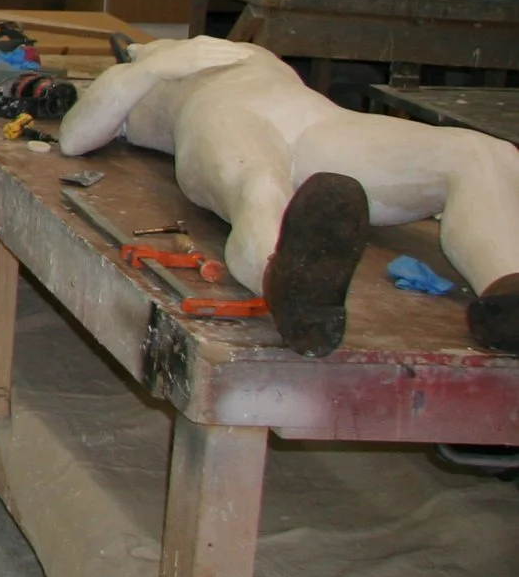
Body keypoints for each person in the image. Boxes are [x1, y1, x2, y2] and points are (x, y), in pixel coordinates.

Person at [60, 36, 519, 357]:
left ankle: (508, 294)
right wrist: (151, 67)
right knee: (260, 182)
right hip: (222, 111)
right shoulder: (138, 76)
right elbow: (74, 138)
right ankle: (296, 293)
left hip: (317, 120)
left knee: (478, 151)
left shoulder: (248, 55)